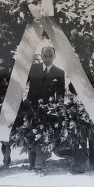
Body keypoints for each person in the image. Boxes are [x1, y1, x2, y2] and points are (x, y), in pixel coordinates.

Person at [26, 46, 65, 175]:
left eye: (50, 56)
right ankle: (32, 162)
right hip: (31, 108)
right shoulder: (32, 69)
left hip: (48, 110)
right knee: (30, 134)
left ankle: (39, 165)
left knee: (43, 136)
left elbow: (60, 94)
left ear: (55, 56)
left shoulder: (59, 72)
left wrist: (57, 109)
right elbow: (20, 84)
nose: (48, 58)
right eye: (45, 56)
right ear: (41, 56)